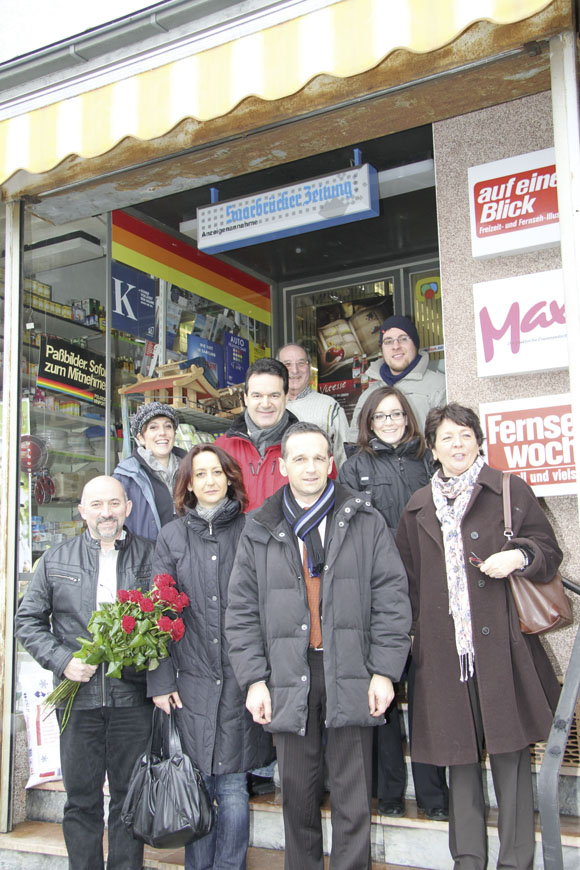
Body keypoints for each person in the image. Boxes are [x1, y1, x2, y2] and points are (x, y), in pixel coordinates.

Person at [226, 421, 411, 870]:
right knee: (297, 794)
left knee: (353, 794)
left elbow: (392, 599)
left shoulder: (365, 519)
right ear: (283, 466)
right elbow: (242, 610)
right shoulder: (259, 527)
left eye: (318, 458)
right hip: (287, 671)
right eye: (300, 459)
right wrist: (254, 680)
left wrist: (384, 672)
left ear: (331, 463)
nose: (310, 468)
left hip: (352, 667)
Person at [396, 403, 562, 870]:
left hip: (502, 646)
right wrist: (414, 640)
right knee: (459, 757)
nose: (457, 445)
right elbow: (407, 582)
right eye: (447, 437)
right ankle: (467, 858)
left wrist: (519, 556)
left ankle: (515, 860)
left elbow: (549, 551)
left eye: (465, 435)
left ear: (478, 440)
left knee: (511, 755)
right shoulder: (417, 505)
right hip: (444, 652)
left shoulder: (507, 490)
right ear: (433, 449)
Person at [15, 476, 154, 870]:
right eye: (96, 504)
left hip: (132, 700)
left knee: (129, 800)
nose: (106, 512)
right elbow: (27, 620)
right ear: (82, 511)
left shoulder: (152, 556)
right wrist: (63, 661)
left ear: (128, 508)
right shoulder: (56, 559)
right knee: (81, 801)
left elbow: (169, 619)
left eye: (114, 503)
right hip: (78, 702)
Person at [148, 444, 273, 870]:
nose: (210, 481)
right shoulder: (172, 536)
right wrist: (161, 680)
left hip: (242, 676)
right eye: (200, 474)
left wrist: (261, 676)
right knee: (197, 783)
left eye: (217, 472)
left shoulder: (253, 529)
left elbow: (268, 603)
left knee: (234, 786)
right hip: (191, 678)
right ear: (188, 484)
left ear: (229, 477)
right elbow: (158, 613)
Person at [339, 386, 449, 820]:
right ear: (368, 422)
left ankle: (433, 795)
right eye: (380, 416)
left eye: (396, 414)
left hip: (428, 591)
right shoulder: (354, 467)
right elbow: (349, 531)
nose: (388, 422)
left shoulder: (428, 461)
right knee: (380, 691)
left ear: (408, 417)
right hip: (376, 593)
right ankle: (388, 792)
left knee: (428, 695)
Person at [213, 358, 300, 512]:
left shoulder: (309, 448)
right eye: (257, 396)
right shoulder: (220, 449)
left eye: (274, 395)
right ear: (246, 398)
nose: (265, 404)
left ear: (286, 397)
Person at [348, 315, 446, 440]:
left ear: (415, 344)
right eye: (388, 341)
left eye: (403, 339)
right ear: (382, 348)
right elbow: (356, 442)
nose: (396, 346)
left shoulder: (439, 387)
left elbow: (447, 440)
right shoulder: (368, 395)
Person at [113, 401, 186, 540]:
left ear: (174, 433)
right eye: (153, 427)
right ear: (141, 438)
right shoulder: (126, 476)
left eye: (168, 426)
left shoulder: (191, 468)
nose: (162, 433)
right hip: (146, 552)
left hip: (187, 552)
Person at [277, 342, 349, 469]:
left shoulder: (329, 407)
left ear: (309, 367)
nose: (294, 370)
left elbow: (345, 459)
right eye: (287, 364)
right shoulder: (267, 408)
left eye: (301, 363)